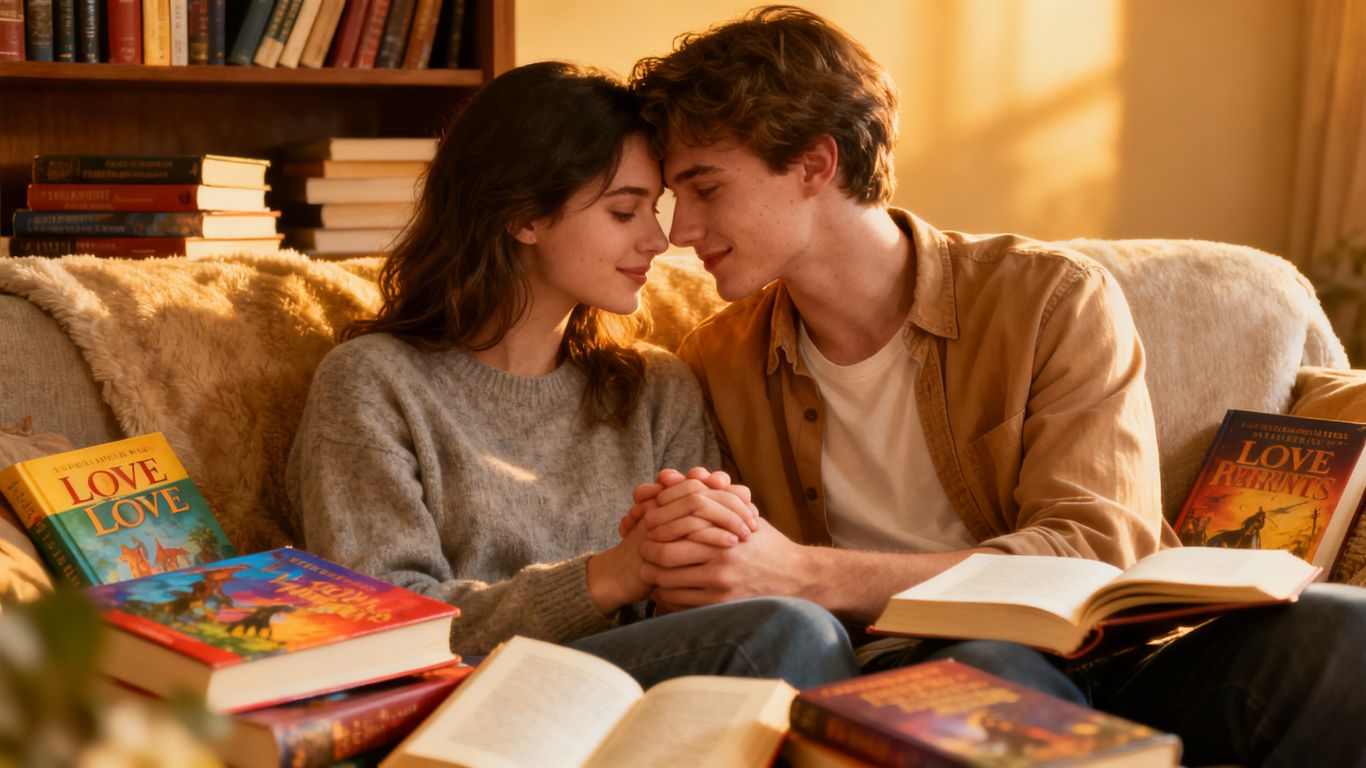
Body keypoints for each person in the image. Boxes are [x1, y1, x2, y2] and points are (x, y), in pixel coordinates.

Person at [623, 6, 1366, 765]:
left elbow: (1096, 549)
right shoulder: (718, 357)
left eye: (705, 188)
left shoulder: (1046, 298)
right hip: (911, 676)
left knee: (1345, 630)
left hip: (1104, 654)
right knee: (989, 673)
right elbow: (726, 568)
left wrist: (810, 574)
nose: (680, 231)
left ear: (816, 164)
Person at [284, 60, 859, 689]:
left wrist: (701, 554)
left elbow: (699, 612)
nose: (660, 240)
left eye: (655, 209)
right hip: (471, 699)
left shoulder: (657, 389)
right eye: (623, 212)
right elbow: (383, 625)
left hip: (649, 696)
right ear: (525, 217)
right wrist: (610, 575)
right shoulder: (374, 383)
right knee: (793, 632)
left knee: (807, 632)